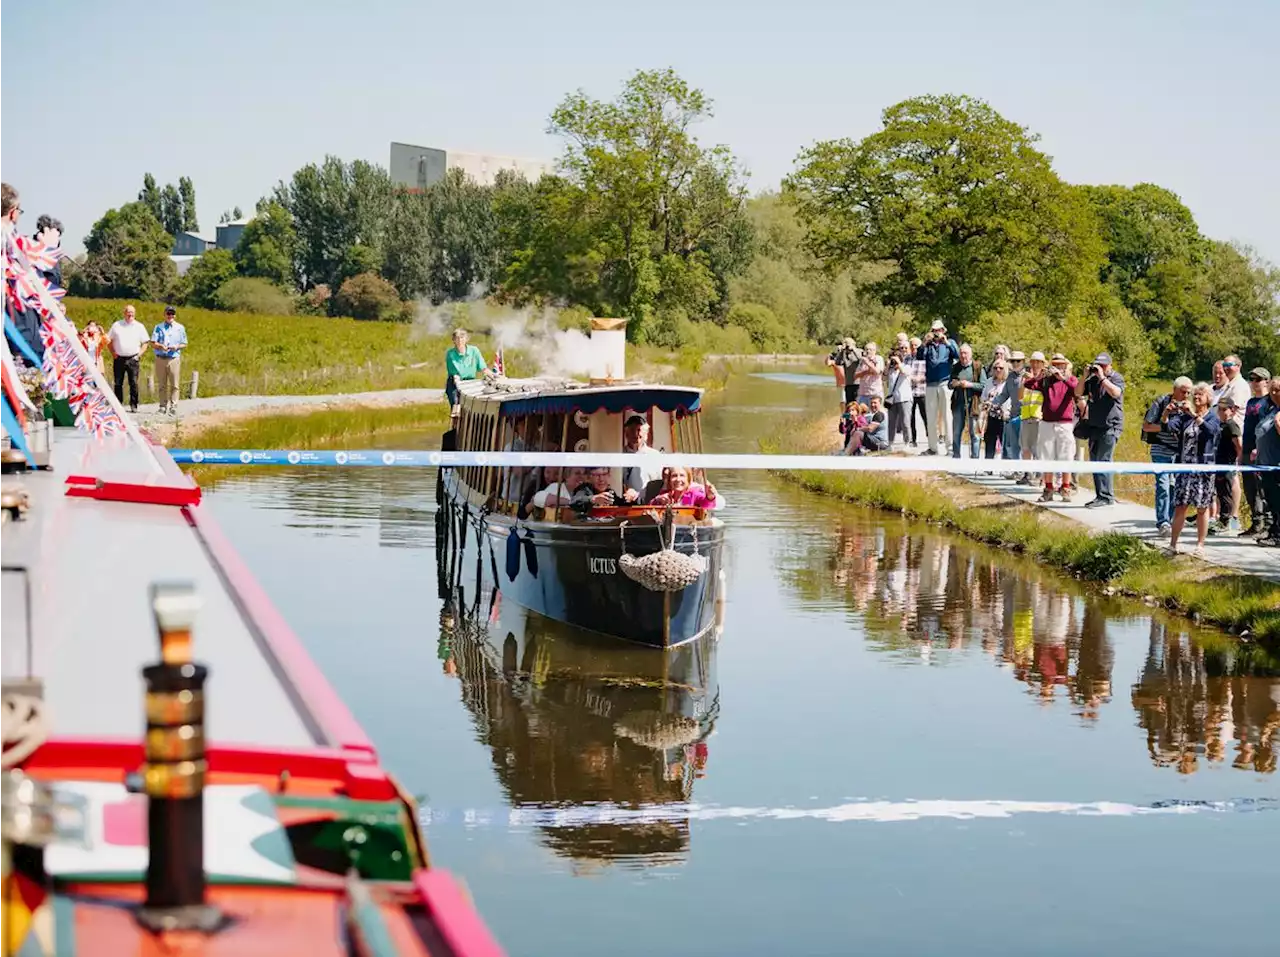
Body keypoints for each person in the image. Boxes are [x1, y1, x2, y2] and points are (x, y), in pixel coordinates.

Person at [1169, 383, 1220, 555]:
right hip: (1185, 468)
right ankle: (1173, 544)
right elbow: (1170, 427)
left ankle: (1200, 545)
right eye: (1195, 395)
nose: (1196, 398)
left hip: (1203, 469)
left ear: (1208, 399)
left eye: (1200, 395)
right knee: (1180, 506)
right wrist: (1167, 413)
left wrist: (1195, 416)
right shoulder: (1186, 417)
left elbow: (1211, 432)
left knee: (1201, 508)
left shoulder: (1212, 417)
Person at [1142, 376, 1192, 535]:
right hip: (1161, 449)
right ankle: (1163, 522)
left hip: (1179, 452)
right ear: (1174, 390)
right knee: (1163, 484)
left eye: (1188, 393)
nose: (1185, 396)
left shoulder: (1190, 406)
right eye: (1183, 392)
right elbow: (1147, 426)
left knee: (1174, 486)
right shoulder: (1161, 402)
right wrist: (1166, 425)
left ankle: (1170, 520)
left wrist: (1189, 413)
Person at [1026, 354, 1078, 503]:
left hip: (1064, 423)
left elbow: (1077, 390)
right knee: (1046, 455)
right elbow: (1029, 384)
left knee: (1066, 455)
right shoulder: (1046, 381)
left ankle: (1065, 487)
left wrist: (1063, 378)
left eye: (1061, 364)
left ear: (1065, 366)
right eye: (1055, 364)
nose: (1058, 367)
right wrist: (1039, 376)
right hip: (1047, 422)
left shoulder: (1070, 379)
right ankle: (1048, 487)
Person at [1075, 353, 1125, 508]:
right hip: (1094, 426)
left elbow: (1116, 393)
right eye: (1098, 365)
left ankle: (1106, 496)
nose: (1100, 368)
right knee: (1095, 461)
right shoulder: (1092, 380)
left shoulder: (1116, 378)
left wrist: (1103, 378)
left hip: (1111, 426)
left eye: (1103, 365)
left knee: (1104, 460)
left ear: (1110, 365)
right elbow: (1077, 393)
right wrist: (1084, 376)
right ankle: (1100, 495)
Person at [915, 321, 958, 455]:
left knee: (947, 416)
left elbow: (957, 355)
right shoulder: (928, 345)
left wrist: (947, 343)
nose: (937, 332)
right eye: (934, 330)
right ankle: (933, 447)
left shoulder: (949, 342)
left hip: (945, 383)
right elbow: (919, 356)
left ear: (943, 330)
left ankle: (950, 447)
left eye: (939, 330)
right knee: (931, 417)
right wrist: (923, 343)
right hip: (930, 384)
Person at [1241, 368, 1272, 537]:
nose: (1254, 382)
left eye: (1258, 379)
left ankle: (1267, 524)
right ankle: (1256, 522)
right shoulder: (1251, 402)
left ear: (1266, 381)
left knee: (1262, 489)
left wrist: (1258, 448)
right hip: (1246, 448)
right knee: (1250, 489)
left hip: (1260, 451)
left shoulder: (1269, 402)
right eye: (1251, 378)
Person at [1252, 379, 1280, 547]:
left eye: (1278, 390)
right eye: (1272, 390)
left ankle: (1278, 535)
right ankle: (1273, 530)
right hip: (1265, 463)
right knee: (1271, 500)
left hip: (1277, 464)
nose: (1274, 394)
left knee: (1278, 500)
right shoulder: (1272, 409)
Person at [107, 304, 150, 413]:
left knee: (134, 383)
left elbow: (145, 342)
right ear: (124, 313)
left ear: (135, 314)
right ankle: (118, 405)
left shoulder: (139, 326)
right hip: (119, 358)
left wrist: (139, 355)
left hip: (133, 358)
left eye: (132, 312)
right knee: (118, 383)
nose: (130, 314)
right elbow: (108, 340)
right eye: (128, 312)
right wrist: (113, 353)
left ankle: (134, 405)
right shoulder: (117, 325)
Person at [1211, 397, 1243, 535]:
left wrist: (1237, 462)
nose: (1221, 412)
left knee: (1226, 493)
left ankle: (1226, 521)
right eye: (1220, 409)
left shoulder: (1231, 425)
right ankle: (1222, 519)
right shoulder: (1221, 424)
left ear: (1232, 410)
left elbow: (1239, 445)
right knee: (1221, 492)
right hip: (1219, 462)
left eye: (1225, 409)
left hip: (1227, 464)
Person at [948, 343, 984, 459]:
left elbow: (983, 385)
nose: (963, 356)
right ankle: (956, 456)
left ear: (970, 354)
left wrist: (969, 385)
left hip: (973, 405)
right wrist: (958, 383)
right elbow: (950, 384)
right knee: (957, 432)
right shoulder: (956, 367)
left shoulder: (977, 367)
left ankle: (975, 458)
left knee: (974, 434)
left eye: (966, 353)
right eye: (961, 353)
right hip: (958, 404)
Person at [151, 305, 187, 416]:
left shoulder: (180, 328)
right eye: (168, 313)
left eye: (172, 314)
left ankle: (174, 406)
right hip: (161, 358)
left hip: (173, 358)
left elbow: (184, 343)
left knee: (175, 384)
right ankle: (162, 406)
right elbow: (153, 343)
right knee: (162, 384)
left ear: (174, 315)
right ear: (164, 314)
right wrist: (160, 346)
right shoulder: (158, 327)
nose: (170, 316)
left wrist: (177, 347)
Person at [1017, 351, 1047, 486]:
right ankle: (1027, 474)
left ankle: (1039, 475)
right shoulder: (1026, 378)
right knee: (1025, 447)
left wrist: (1035, 379)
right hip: (1026, 416)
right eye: (1033, 362)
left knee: (1038, 448)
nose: (1035, 365)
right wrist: (1024, 382)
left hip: (1038, 417)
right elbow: (1020, 396)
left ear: (1043, 364)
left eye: (1038, 362)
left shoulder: (1045, 379)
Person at [621, 413, 661, 500]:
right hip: (623, 503)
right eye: (632, 430)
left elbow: (659, 482)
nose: (635, 434)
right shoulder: (619, 454)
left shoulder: (654, 455)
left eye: (639, 430)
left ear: (646, 434)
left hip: (648, 503)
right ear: (626, 433)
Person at [444, 329, 485, 413]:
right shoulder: (450, 354)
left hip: (470, 382)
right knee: (456, 406)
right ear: (453, 340)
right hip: (455, 383)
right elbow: (453, 372)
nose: (459, 341)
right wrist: (458, 383)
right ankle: (455, 424)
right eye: (457, 338)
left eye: (462, 338)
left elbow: (483, 368)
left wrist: (494, 376)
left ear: (466, 339)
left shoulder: (474, 351)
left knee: (473, 407)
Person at [979, 360, 1010, 464]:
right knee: (989, 441)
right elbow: (983, 396)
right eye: (995, 368)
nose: (998, 370)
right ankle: (988, 467)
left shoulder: (1007, 383)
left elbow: (1009, 399)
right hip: (990, 415)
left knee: (1005, 443)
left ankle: (1006, 467)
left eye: (1001, 368)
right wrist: (985, 403)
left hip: (1004, 417)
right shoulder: (989, 381)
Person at [650, 466, 724, 509]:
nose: (678, 479)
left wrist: (710, 496)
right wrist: (657, 500)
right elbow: (650, 508)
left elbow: (707, 505)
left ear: (688, 480)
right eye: (674, 476)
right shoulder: (665, 494)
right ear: (669, 480)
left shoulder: (694, 494)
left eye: (682, 475)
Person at [884, 349, 913, 448]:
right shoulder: (891, 370)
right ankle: (890, 443)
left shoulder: (906, 366)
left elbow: (905, 372)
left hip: (904, 398)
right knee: (891, 423)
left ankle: (907, 443)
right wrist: (888, 365)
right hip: (893, 399)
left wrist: (899, 362)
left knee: (905, 422)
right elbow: (883, 377)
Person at [826, 338, 862, 406]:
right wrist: (841, 351)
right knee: (848, 405)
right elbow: (837, 362)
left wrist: (853, 349)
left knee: (857, 404)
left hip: (858, 383)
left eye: (848, 344)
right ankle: (847, 416)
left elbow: (860, 359)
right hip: (848, 383)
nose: (847, 347)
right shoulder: (844, 354)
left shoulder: (858, 351)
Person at [908, 336, 926, 448]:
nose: (914, 347)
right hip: (909, 391)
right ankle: (912, 439)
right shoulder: (907, 359)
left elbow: (929, 373)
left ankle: (930, 437)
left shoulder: (924, 358)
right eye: (912, 345)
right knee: (911, 417)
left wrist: (919, 379)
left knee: (925, 415)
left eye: (916, 345)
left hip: (922, 390)